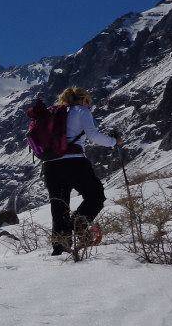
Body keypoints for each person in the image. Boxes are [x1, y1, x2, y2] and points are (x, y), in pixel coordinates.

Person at [42, 86, 121, 256]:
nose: (89, 105)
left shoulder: (54, 113)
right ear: (84, 99)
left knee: (59, 205)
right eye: (89, 102)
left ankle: (60, 248)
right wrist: (114, 142)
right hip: (74, 162)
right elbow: (93, 136)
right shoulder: (81, 111)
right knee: (96, 196)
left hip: (50, 166)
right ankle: (79, 223)